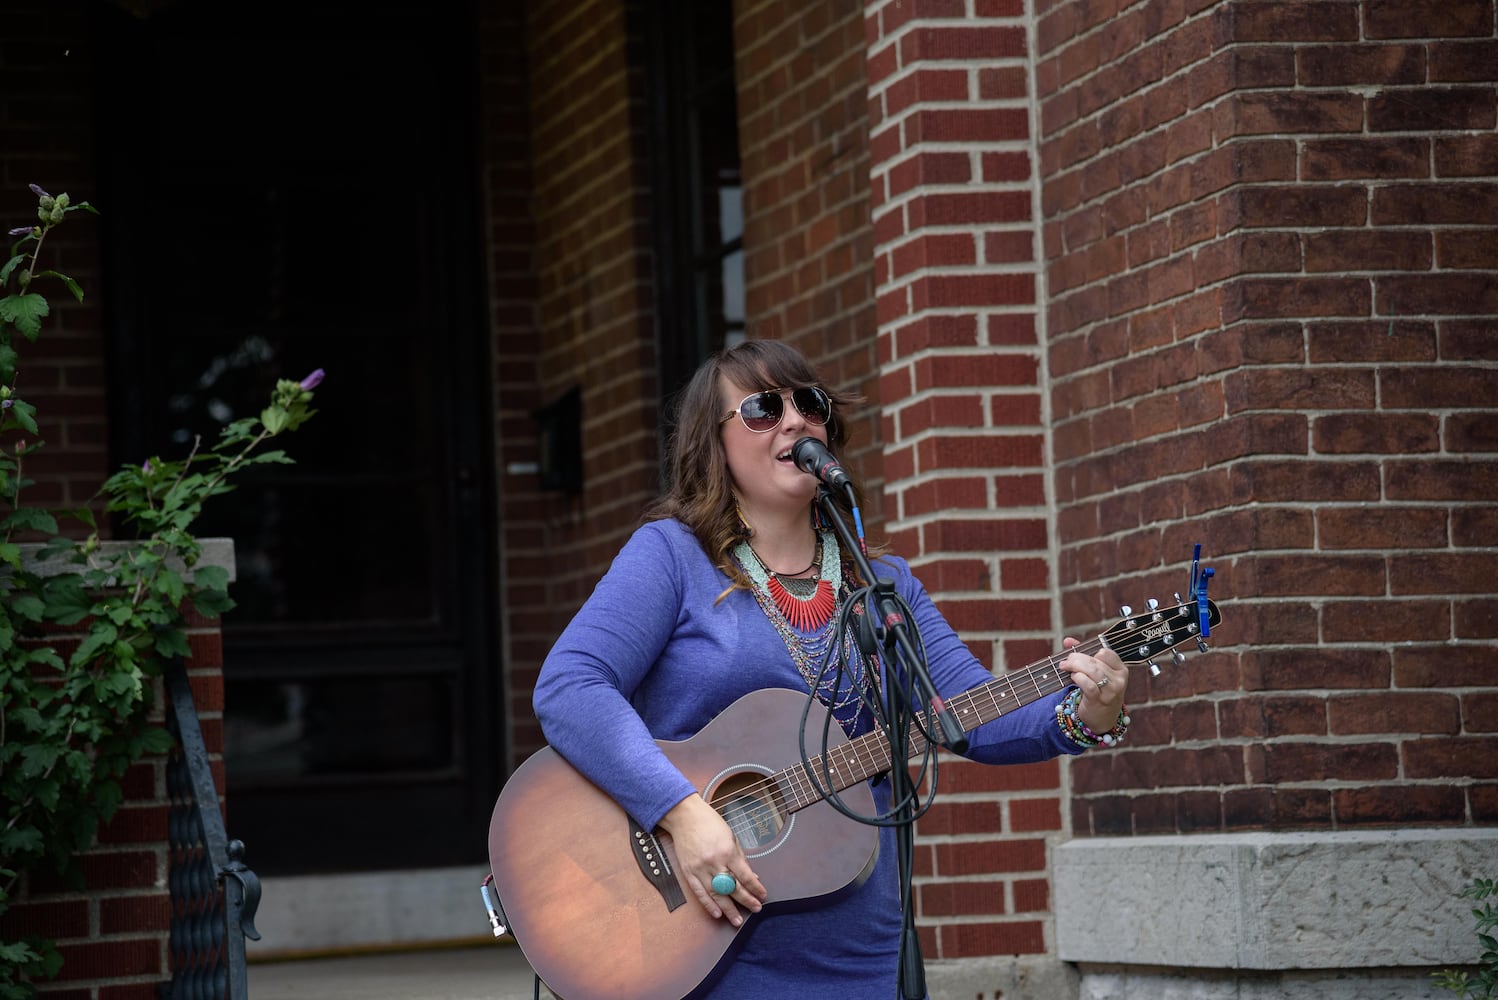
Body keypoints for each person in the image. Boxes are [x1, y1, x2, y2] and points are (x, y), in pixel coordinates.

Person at [531, 339, 1129, 999]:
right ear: (715, 444)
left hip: (861, 949)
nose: (794, 420)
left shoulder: (883, 586)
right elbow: (570, 687)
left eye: (808, 404)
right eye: (763, 409)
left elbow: (968, 715)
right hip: (706, 945)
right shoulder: (673, 557)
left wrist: (1085, 712)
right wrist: (681, 811)